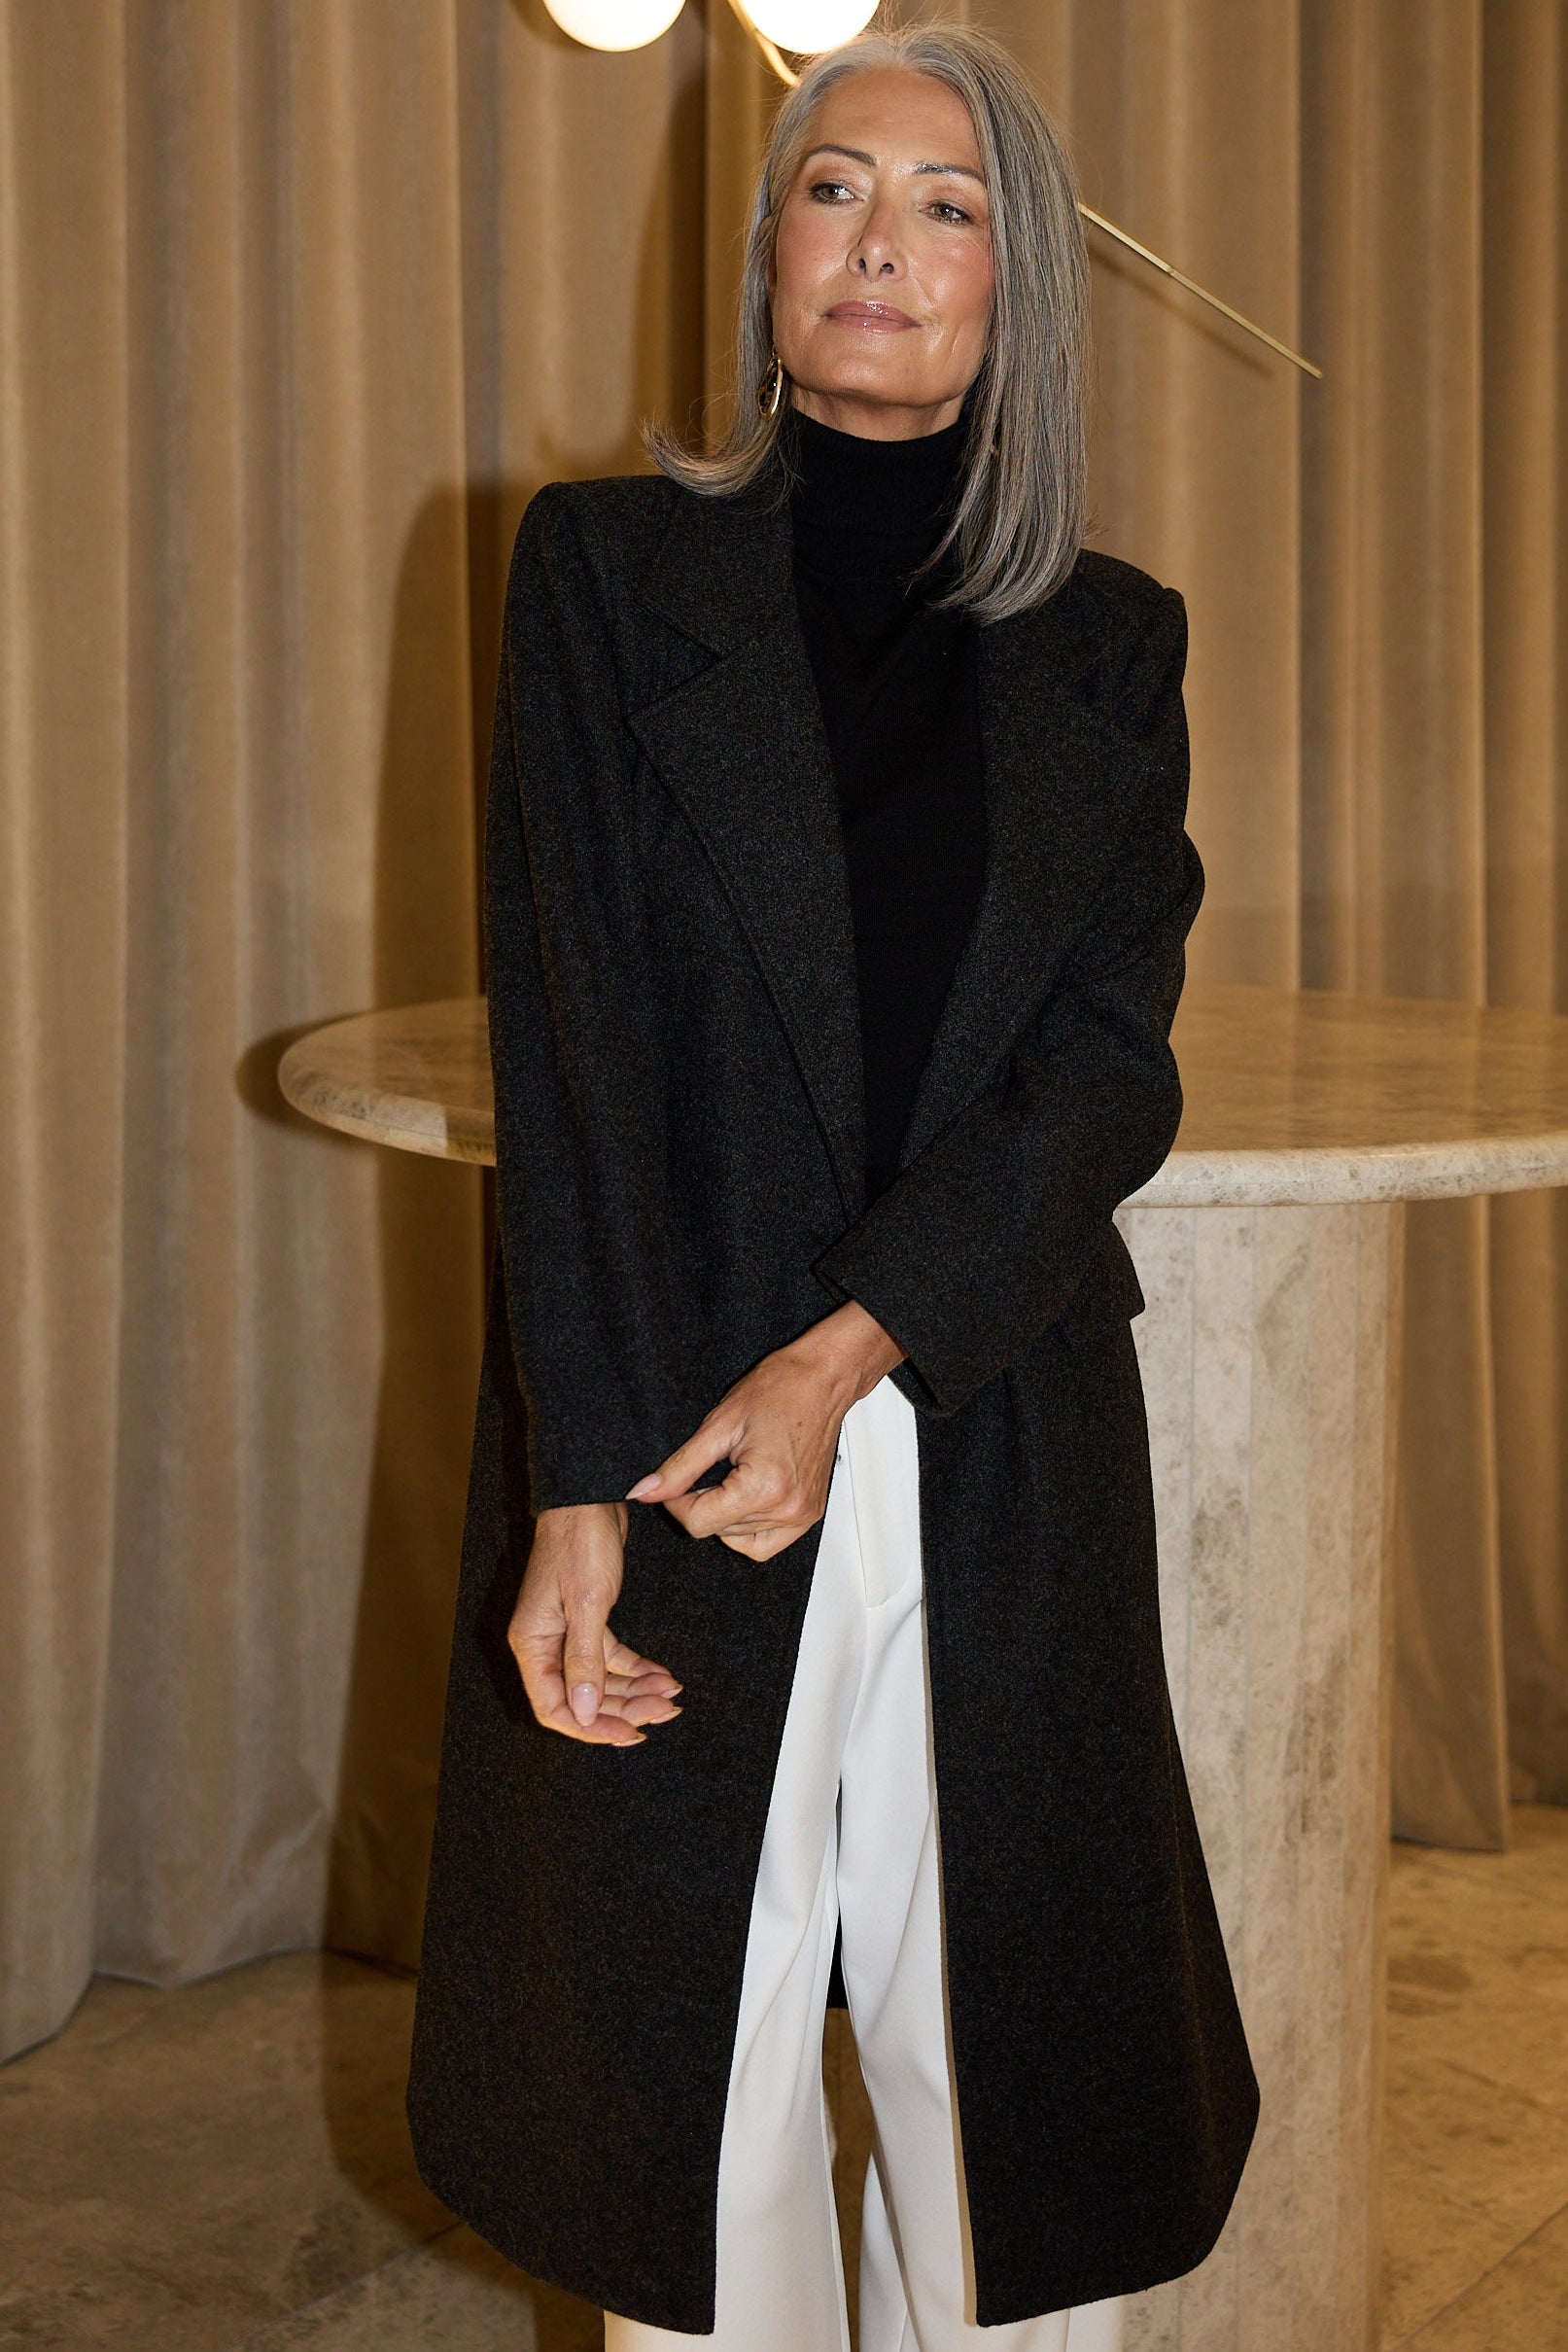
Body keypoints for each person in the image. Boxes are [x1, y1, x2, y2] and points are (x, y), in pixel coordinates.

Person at [406, 23, 1258, 2351]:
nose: (884, 244)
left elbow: (1110, 1066)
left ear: (1022, 287)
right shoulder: (599, 575)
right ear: (768, 252)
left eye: (952, 206)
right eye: (834, 191)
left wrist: (852, 1343)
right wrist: (575, 1491)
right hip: (682, 1443)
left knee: (1010, 2104)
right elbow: (564, 1056)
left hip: (989, 1420)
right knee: (700, 2110)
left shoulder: (1119, 641)